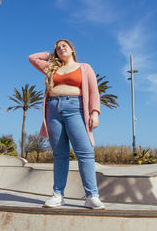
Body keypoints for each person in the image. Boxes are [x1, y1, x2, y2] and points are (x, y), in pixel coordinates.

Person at [28, 39, 105, 210]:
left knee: (84, 152)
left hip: (75, 109)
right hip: (53, 110)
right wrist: (50, 55)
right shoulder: (52, 68)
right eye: (58, 48)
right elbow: (32, 58)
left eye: (64, 46)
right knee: (60, 155)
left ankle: (91, 196)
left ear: (72, 49)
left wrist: (94, 113)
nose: (61, 48)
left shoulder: (84, 68)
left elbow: (94, 91)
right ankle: (58, 195)